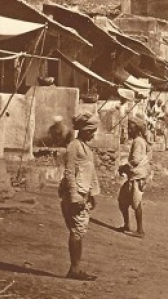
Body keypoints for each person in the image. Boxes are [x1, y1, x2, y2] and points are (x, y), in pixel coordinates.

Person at [60, 113, 101, 280]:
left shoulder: (85, 147)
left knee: (79, 231)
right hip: (75, 195)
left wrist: (92, 193)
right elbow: (69, 173)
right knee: (77, 231)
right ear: (84, 131)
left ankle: (75, 268)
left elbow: (90, 172)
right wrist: (74, 196)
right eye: (91, 131)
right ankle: (74, 269)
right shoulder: (74, 147)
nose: (92, 135)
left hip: (83, 193)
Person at [118, 120, 151, 238]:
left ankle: (140, 230)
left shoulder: (138, 142)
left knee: (136, 202)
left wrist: (123, 167)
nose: (128, 131)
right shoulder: (141, 141)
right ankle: (127, 225)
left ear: (136, 130)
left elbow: (135, 160)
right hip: (136, 175)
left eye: (130, 129)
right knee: (123, 200)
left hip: (138, 176)